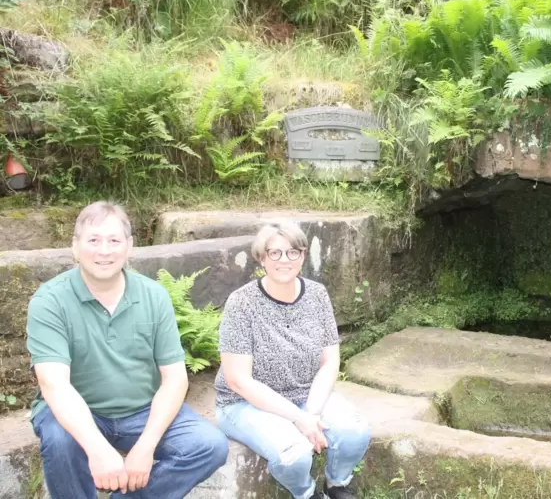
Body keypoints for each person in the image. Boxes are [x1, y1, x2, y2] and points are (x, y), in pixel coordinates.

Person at [25, 201, 229, 499]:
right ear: (75, 246)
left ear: (129, 246)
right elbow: (54, 385)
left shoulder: (153, 296)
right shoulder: (50, 301)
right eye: (93, 240)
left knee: (209, 445)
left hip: (141, 411)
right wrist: (98, 449)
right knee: (60, 440)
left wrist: (144, 449)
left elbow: (175, 379)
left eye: (114, 240)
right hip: (79, 410)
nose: (104, 251)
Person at [214, 222, 371, 499]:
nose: (284, 260)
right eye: (274, 253)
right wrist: (299, 419)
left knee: (355, 432)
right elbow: (238, 380)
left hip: (305, 393)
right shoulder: (241, 303)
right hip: (246, 404)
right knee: (294, 454)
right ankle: (306, 493)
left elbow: (330, 361)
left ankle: (337, 485)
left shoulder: (317, 294)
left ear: (302, 255)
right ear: (261, 258)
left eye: (292, 252)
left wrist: (310, 413)